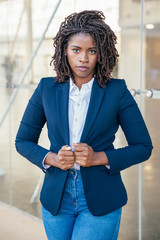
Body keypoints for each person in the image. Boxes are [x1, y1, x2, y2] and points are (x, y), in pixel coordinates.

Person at [15, 10, 153, 240]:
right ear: (64, 51)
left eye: (92, 51)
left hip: (100, 197)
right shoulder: (46, 89)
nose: (83, 58)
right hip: (57, 198)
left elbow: (143, 146)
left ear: (102, 53)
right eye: (76, 50)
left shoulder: (117, 91)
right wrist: (52, 158)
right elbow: (22, 141)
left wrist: (98, 158)